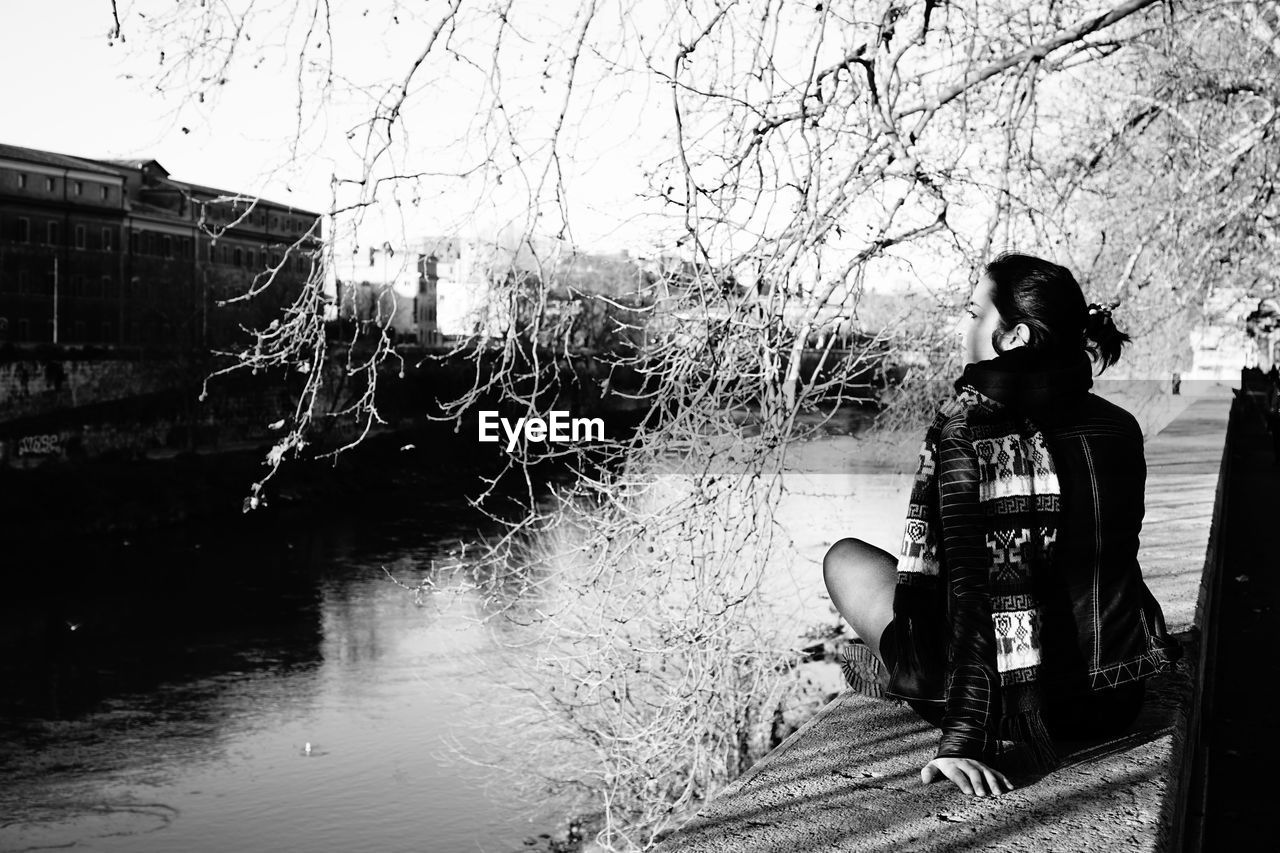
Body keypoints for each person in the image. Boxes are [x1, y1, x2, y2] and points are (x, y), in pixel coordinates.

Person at [823, 252, 1182, 798]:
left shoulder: (968, 429)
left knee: (846, 559)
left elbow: (975, 594)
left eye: (973, 312)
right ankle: (897, 670)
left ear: (1013, 337)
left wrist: (962, 738)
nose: (962, 326)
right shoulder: (1119, 426)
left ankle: (899, 673)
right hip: (1114, 698)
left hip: (1019, 713)